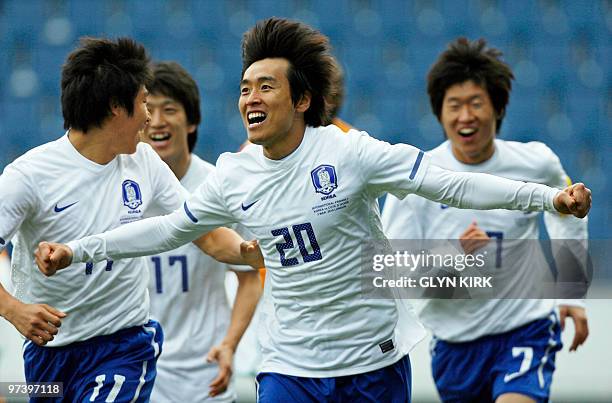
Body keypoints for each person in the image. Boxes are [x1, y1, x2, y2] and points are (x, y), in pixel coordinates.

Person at [36, 19, 590, 402]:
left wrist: (548, 199)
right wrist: (80, 249)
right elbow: (167, 230)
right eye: (245, 87)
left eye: (267, 87)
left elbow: (450, 186)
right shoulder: (233, 175)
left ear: (301, 100)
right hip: (290, 364)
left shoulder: (352, 153)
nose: (251, 97)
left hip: (370, 359)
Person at [0, 37, 261, 403]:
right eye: (143, 103)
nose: (149, 118)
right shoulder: (28, 176)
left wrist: (250, 252)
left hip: (122, 346)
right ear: (114, 108)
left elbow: (202, 232)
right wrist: (13, 310)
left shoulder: (144, 162)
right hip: (48, 355)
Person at [382, 37, 589, 403]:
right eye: (454, 105)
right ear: (439, 113)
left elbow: (566, 214)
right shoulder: (415, 179)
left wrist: (571, 291)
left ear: (497, 108)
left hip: (525, 327)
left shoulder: (536, 162)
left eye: (476, 103)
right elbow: (398, 275)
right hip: (454, 343)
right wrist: (454, 253)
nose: (466, 116)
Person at [143, 61, 261, 402]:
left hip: (204, 372)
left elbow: (249, 277)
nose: (159, 121)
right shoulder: (123, 189)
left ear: (191, 120)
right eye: (150, 111)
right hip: (139, 363)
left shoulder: (220, 187)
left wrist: (230, 343)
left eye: (170, 109)